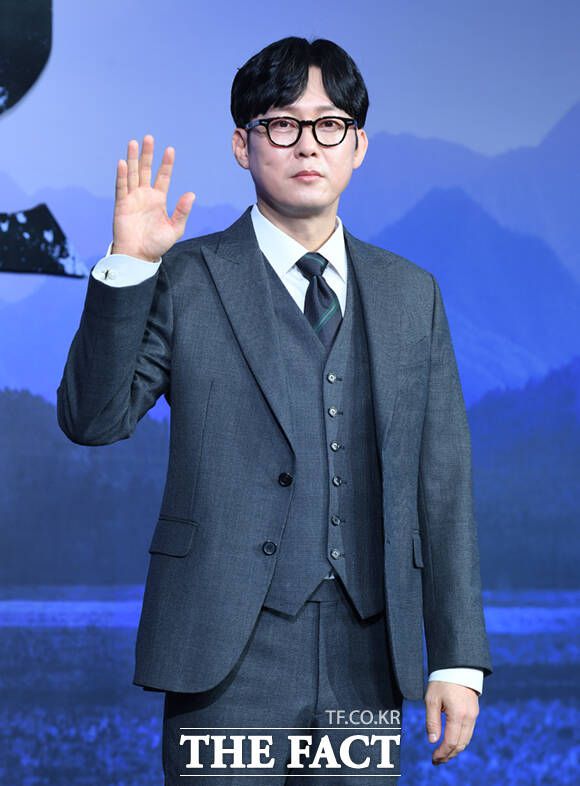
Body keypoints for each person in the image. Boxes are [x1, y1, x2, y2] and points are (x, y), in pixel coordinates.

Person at [57, 36, 493, 784]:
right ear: (243, 144)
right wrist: (130, 264)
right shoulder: (186, 277)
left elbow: (442, 482)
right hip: (224, 653)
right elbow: (93, 419)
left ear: (358, 146)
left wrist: (456, 658)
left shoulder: (410, 293)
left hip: (368, 654)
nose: (307, 144)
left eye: (329, 125)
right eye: (282, 123)